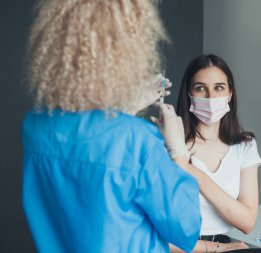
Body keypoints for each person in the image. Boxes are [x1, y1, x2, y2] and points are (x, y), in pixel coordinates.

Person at [21, 1, 201, 253]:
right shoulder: (136, 139)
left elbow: (86, 150)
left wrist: (122, 111)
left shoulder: (35, 127)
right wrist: (178, 151)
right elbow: (186, 228)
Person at [158, 54, 261, 253]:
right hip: (184, 248)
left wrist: (189, 169)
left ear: (230, 94)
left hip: (226, 244)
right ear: (188, 94)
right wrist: (217, 248)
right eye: (201, 88)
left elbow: (246, 222)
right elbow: (153, 236)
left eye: (219, 88)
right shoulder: (170, 145)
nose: (211, 97)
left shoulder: (244, 146)